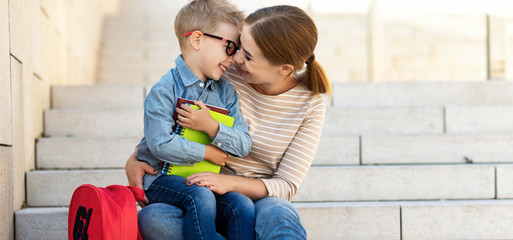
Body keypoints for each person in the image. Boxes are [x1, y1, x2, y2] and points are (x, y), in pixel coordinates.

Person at [126, 4, 331, 240]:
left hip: (257, 200)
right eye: (239, 46)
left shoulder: (310, 103)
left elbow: (285, 185)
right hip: (200, 189)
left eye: (248, 55)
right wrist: (135, 159)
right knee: (154, 219)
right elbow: (171, 117)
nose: (235, 57)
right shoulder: (224, 72)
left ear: (284, 69)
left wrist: (228, 182)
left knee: (280, 214)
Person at [135, 0, 254, 239]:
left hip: (201, 179)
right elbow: (160, 144)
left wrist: (212, 127)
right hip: (161, 179)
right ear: (197, 39)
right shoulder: (165, 90)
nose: (233, 58)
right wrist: (207, 153)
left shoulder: (226, 93)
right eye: (230, 47)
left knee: (242, 206)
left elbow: (243, 144)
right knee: (199, 196)